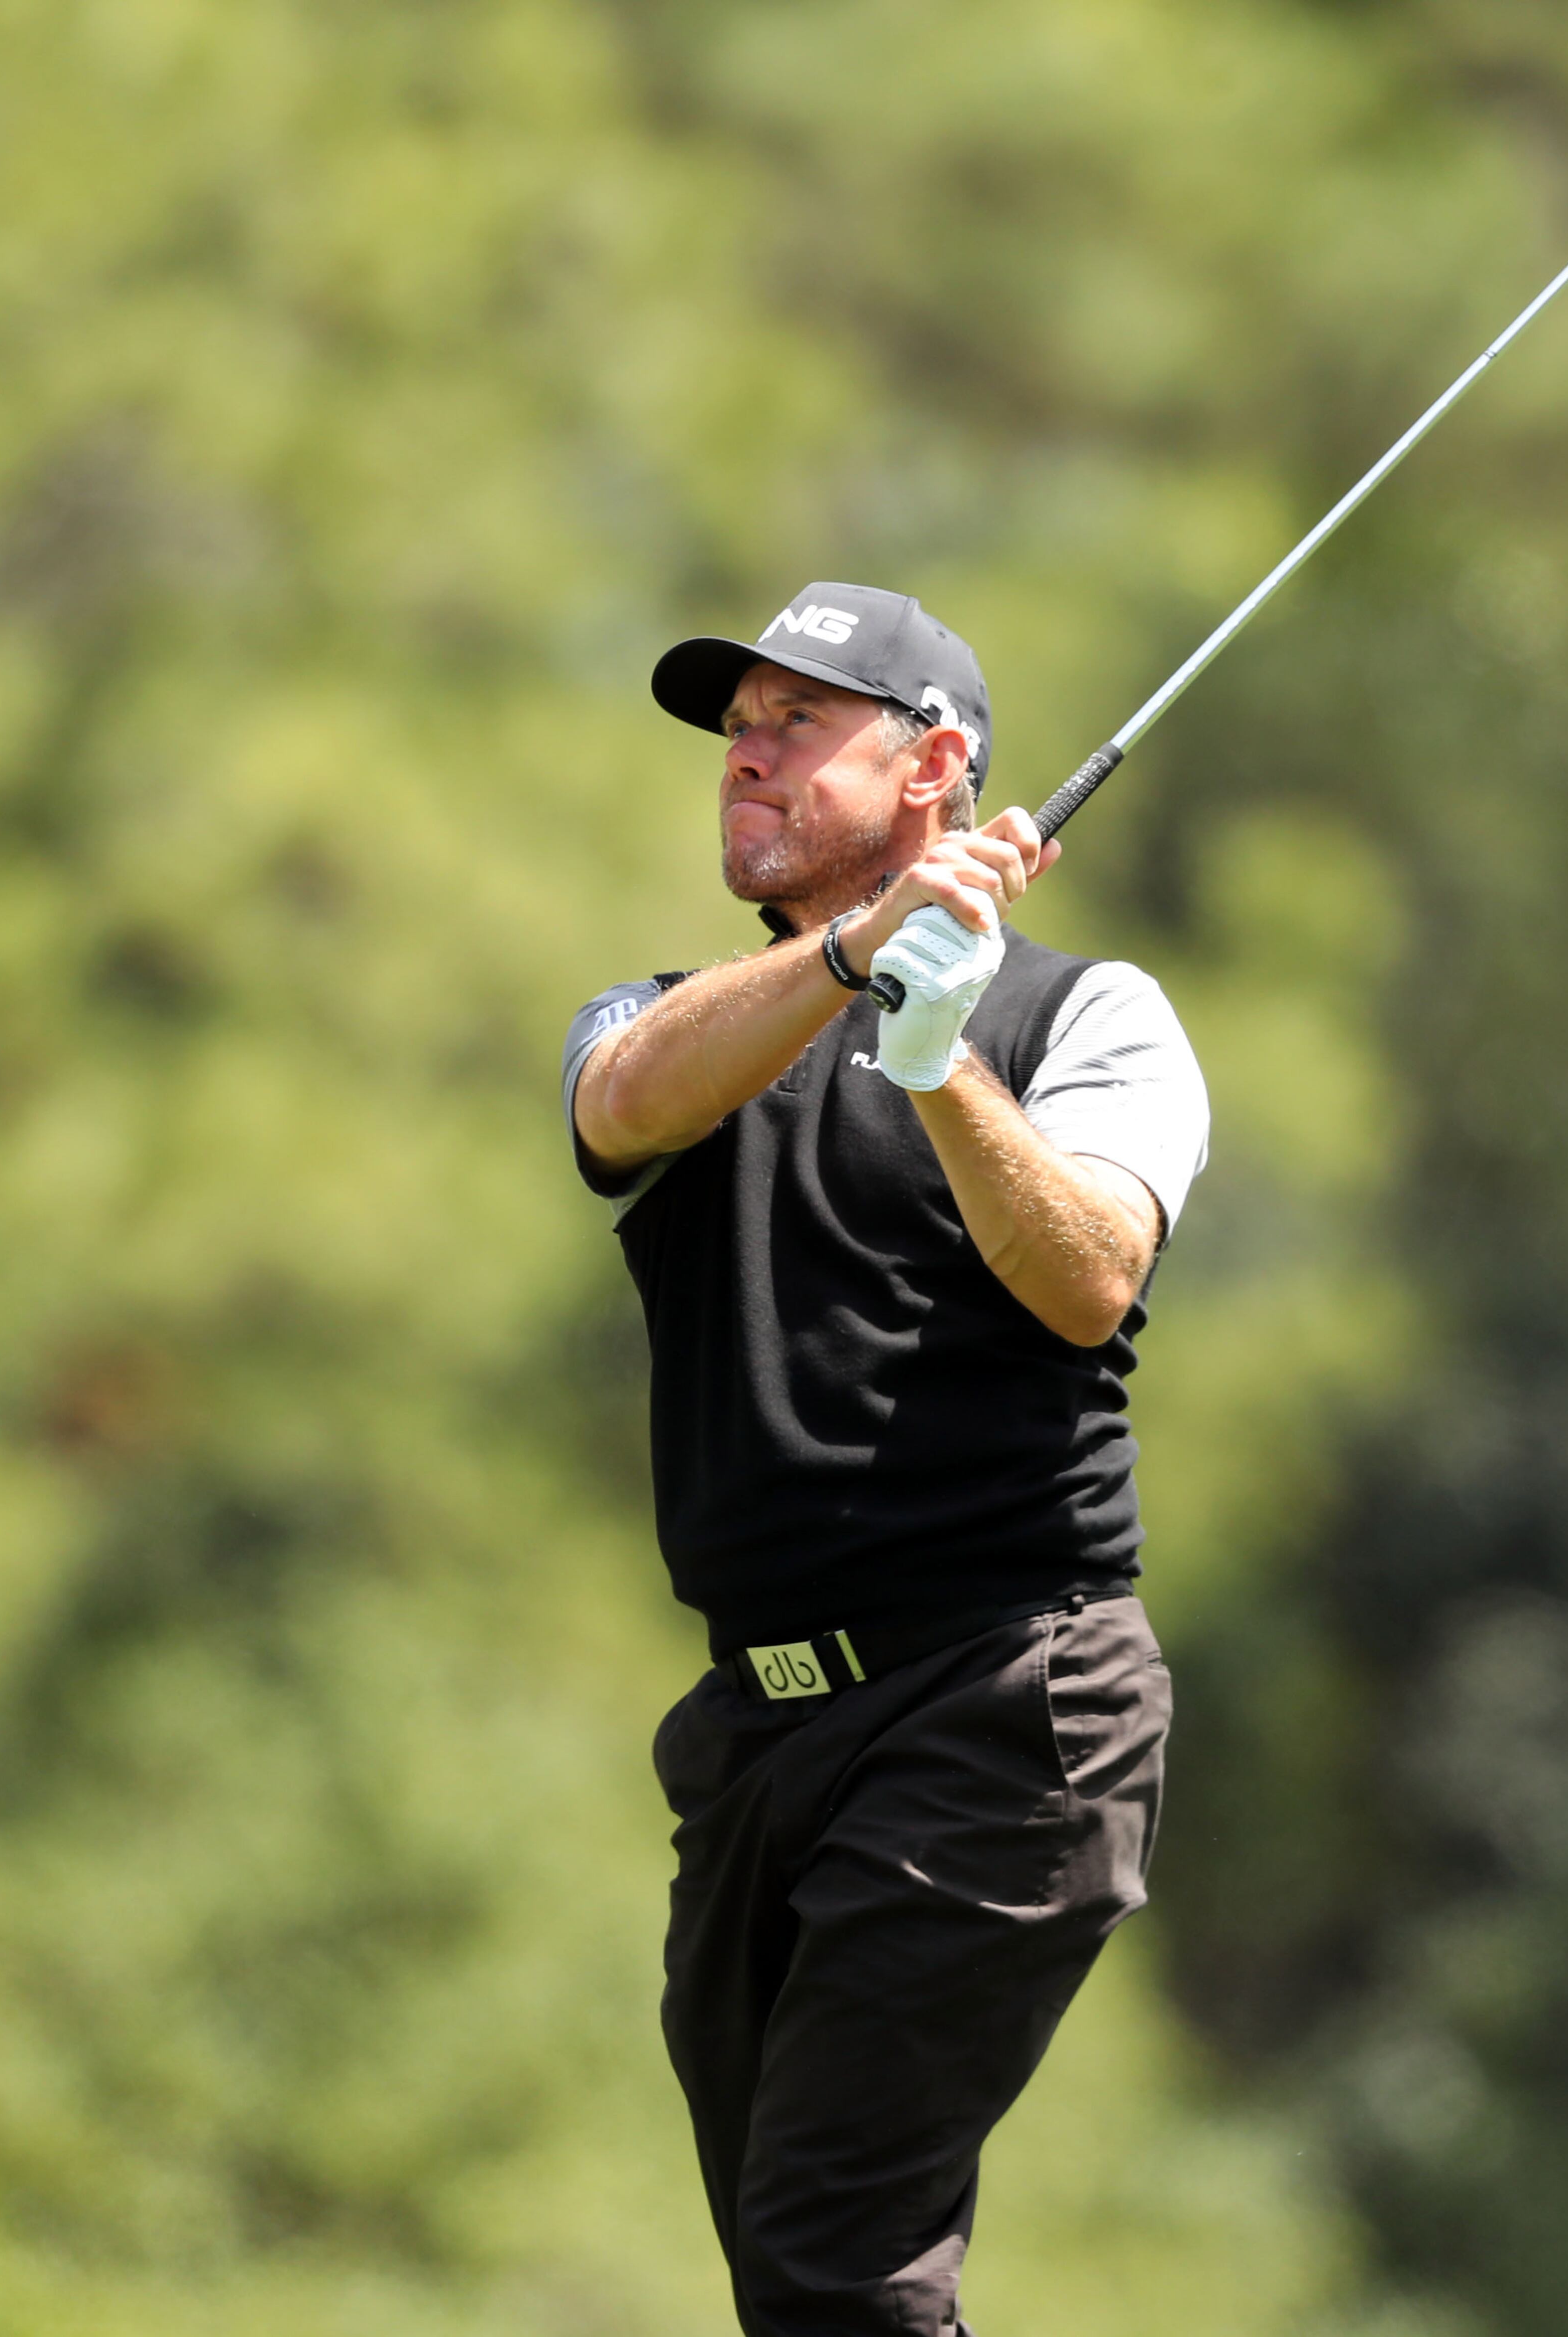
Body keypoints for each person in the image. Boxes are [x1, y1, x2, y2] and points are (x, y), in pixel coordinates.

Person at [562, 582, 1209, 2336]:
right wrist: (858, 956)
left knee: (834, 2262)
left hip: (1002, 1697)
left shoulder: (1093, 1017)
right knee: (802, 2280)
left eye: (798, 720)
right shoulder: (672, 1017)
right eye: (736, 726)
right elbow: (622, 1106)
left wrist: (939, 1065)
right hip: (755, 1736)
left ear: (936, 766)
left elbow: (1089, 1277)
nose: (744, 754)